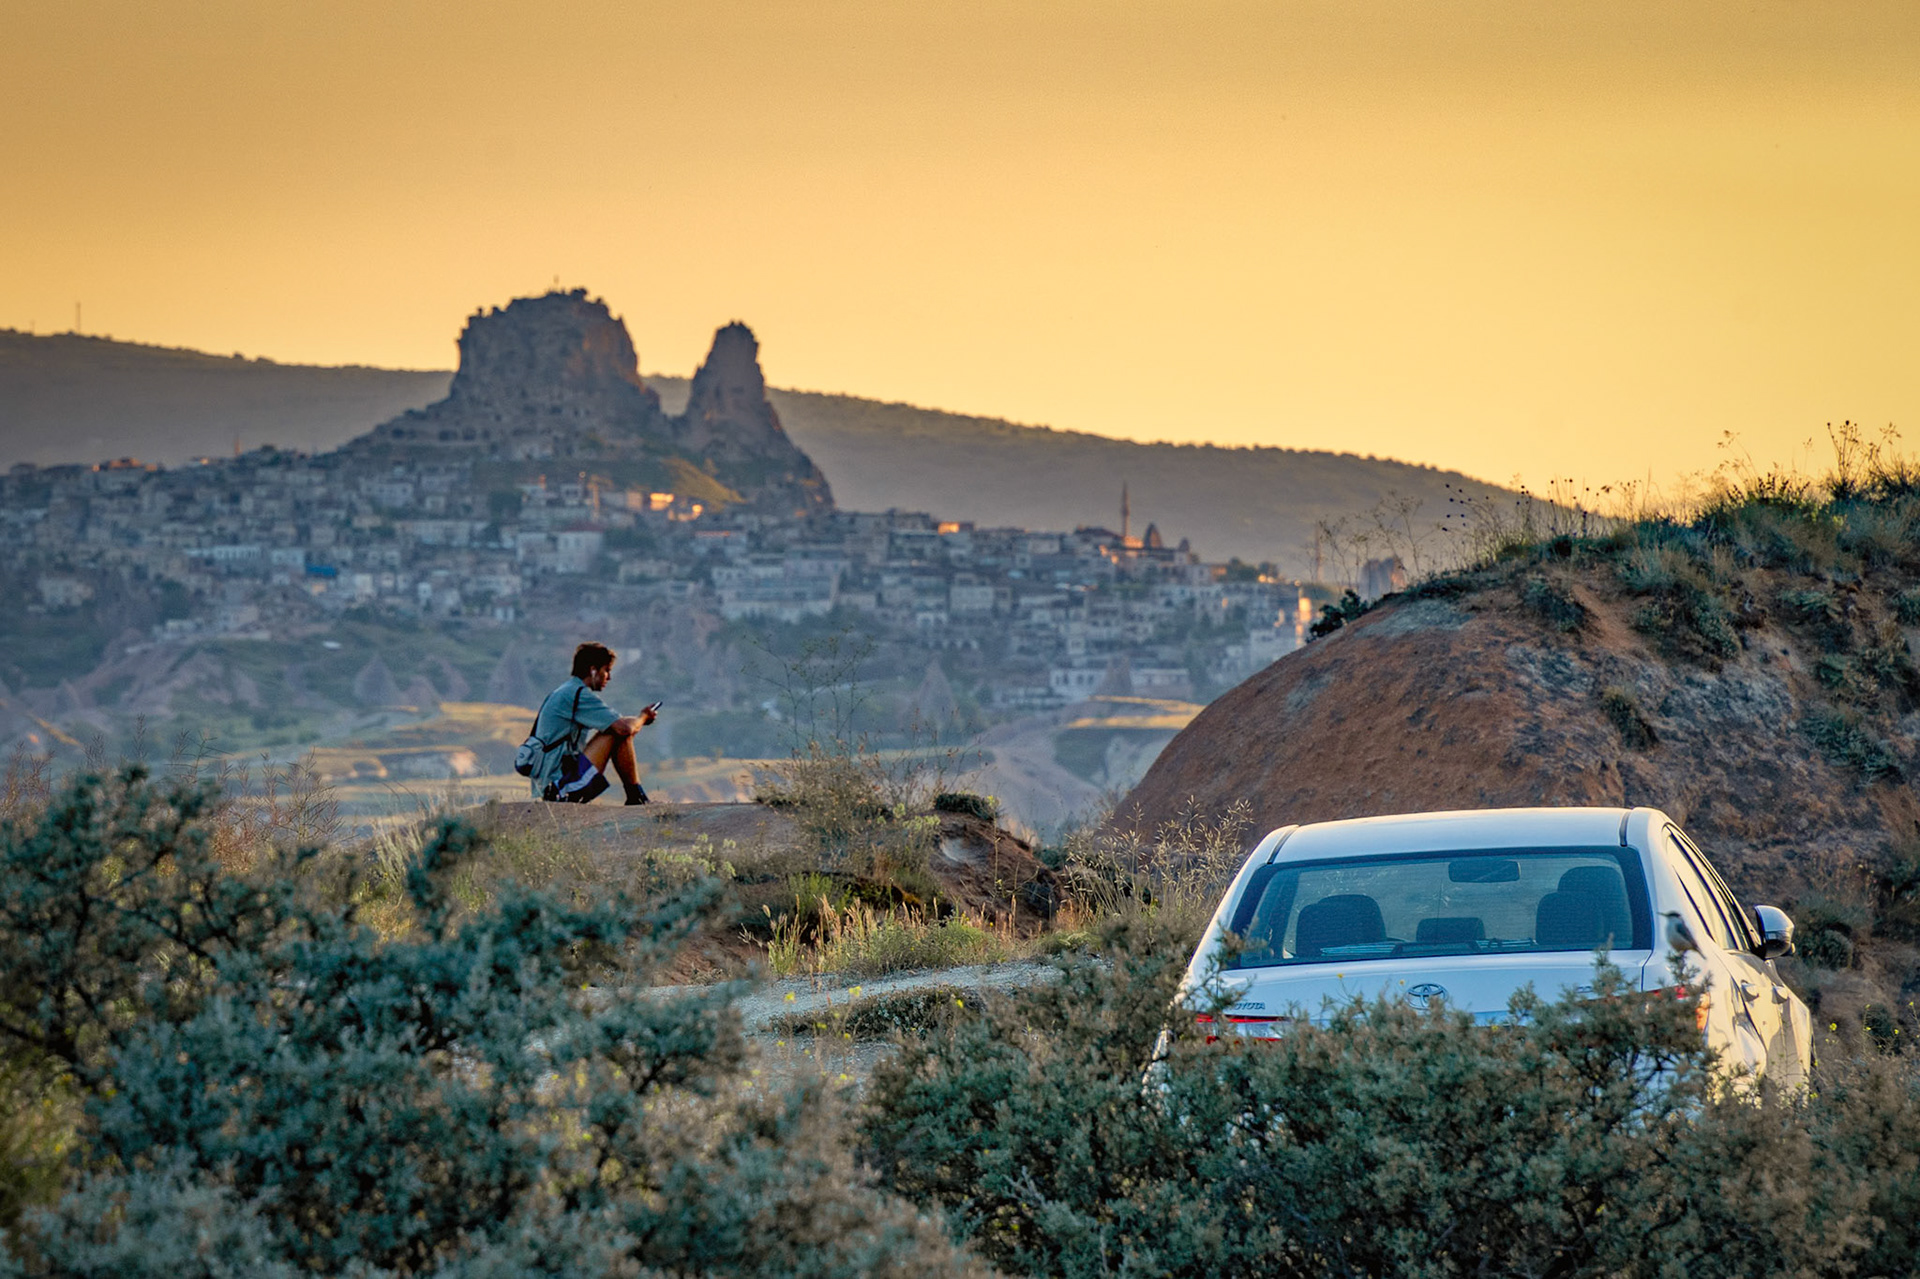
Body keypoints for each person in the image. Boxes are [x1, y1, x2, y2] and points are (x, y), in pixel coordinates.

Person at [528, 641, 658, 805]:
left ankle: (636, 797)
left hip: (553, 786)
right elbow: (624, 728)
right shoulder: (577, 694)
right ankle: (637, 797)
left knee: (615, 727)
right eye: (607, 671)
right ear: (593, 670)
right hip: (561, 789)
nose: (609, 677)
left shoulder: (565, 691)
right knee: (616, 731)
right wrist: (643, 717)